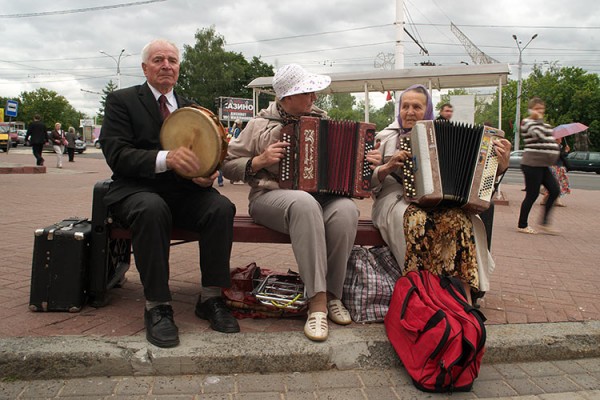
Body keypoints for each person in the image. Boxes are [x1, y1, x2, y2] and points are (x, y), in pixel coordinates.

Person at [222, 63, 381, 342]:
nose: (314, 98)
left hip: (321, 199)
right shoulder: (259, 125)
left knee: (346, 210)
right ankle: (317, 302)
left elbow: (349, 164)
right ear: (287, 98)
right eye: (308, 93)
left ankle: (333, 294)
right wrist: (257, 161)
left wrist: (366, 162)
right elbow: (226, 163)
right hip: (268, 197)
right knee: (303, 203)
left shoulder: (323, 120)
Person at [100, 38, 239, 348]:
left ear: (179, 68)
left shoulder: (191, 108)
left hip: (182, 192)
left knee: (221, 208)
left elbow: (202, 157)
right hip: (135, 190)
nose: (166, 65)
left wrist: (205, 175)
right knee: (152, 208)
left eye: (172, 60)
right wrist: (166, 158)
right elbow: (117, 153)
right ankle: (158, 306)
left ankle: (211, 298)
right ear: (145, 68)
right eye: (159, 59)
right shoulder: (122, 101)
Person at [370, 84, 511, 304]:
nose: (409, 111)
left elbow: (480, 181)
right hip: (394, 198)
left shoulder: (437, 134)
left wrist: (500, 167)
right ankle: (422, 291)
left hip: (439, 201)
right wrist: (387, 167)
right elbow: (366, 182)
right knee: (417, 220)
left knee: (460, 221)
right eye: (405, 106)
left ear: (427, 110)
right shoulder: (386, 137)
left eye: (416, 106)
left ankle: (462, 298)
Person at [517, 97, 561, 235]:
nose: (540, 111)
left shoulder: (544, 125)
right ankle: (522, 224)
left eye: (542, 108)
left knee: (554, 190)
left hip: (543, 165)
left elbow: (550, 138)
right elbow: (538, 134)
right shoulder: (527, 123)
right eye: (537, 108)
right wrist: (539, 120)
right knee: (532, 194)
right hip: (531, 164)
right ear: (531, 110)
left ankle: (544, 222)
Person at [541, 138, 570, 207]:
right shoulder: (555, 147)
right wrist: (566, 151)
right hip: (555, 167)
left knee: (557, 183)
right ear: (556, 139)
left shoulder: (558, 146)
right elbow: (560, 156)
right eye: (560, 138)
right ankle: (549, 199)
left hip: (558, 167)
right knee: (556, 184)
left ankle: (545, 198)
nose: (561, 139)